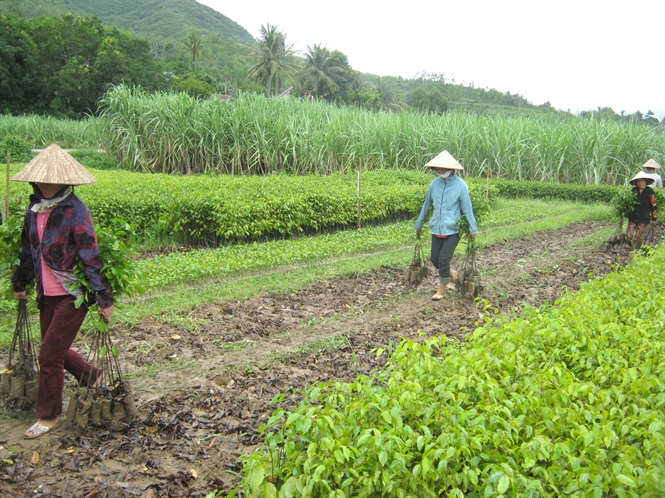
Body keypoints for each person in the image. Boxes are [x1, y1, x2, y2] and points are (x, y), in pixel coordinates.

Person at [11, 144, 114, 439]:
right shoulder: (34, 211)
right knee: (52, 349)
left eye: (53, 181)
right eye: (42, 180)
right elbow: (27, 250)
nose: (47, 185)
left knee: (49, 356)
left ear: (65, 182)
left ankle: (48, 416)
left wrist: (103, 298)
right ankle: (92, 376)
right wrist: (20, 284)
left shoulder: (76, 212)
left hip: (73, 294)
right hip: (47, 293)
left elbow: (90, 256)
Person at [415, 150, 478, 300]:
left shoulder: (461, 186)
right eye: (438, 168)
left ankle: (441, 289)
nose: (440, 171)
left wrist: (472, 228)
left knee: (443, 260)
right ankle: (453, 275)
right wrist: (419, 223)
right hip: (436, 226)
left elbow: (467, 209)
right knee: (435, 260)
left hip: (452, 229)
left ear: (452, 169)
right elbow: (427, 204)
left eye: (443, 168)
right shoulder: (434, 184)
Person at [625, 171, 657, 248]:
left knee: (638, 238)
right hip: (633, 216)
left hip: (644, 217)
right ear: (636, 183)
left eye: (643, 181)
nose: (641, 183)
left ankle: (635, 252)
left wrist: (654, 219)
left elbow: (654, 205)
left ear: (646, 182)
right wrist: (623, 215)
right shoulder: (634, 191)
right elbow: (628, 204)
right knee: (628, 235)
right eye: (639, 181)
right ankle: (628, 248)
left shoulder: (650, 192)